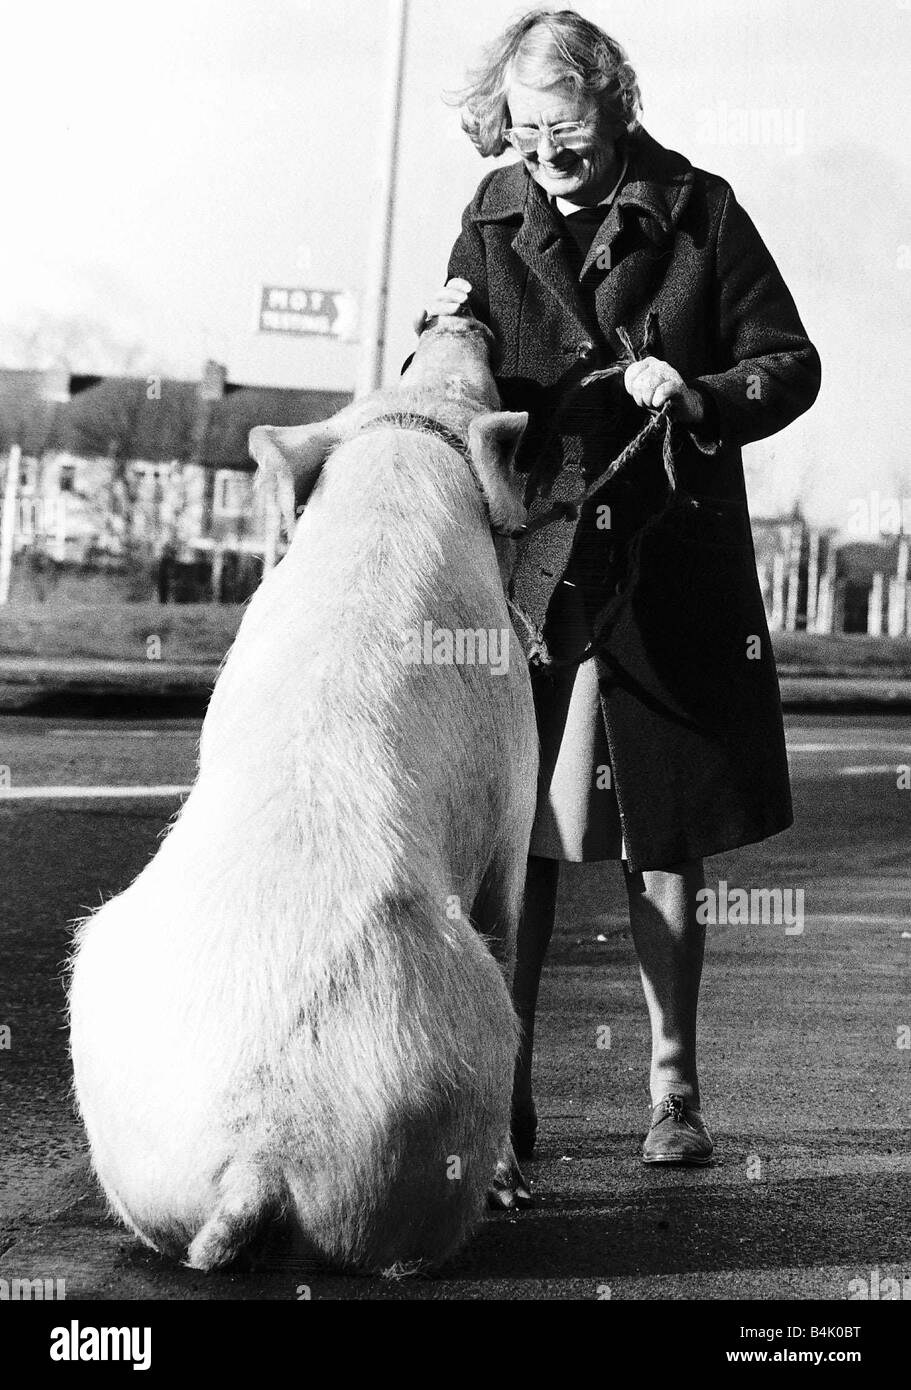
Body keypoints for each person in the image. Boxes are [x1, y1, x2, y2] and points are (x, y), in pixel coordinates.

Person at [419, 7, 821, 1185]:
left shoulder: (700, 210)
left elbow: (787, 362)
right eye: (528, 127)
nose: (548, 150)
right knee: (520, 845)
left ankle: (673, 1095)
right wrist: (437, 343)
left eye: (569, 126)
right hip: (538, 570)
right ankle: (506, 1105)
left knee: (663, 837)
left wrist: (697, 395)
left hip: (667, 562)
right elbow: (459, 344)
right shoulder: (491, 216)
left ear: (617, 102)